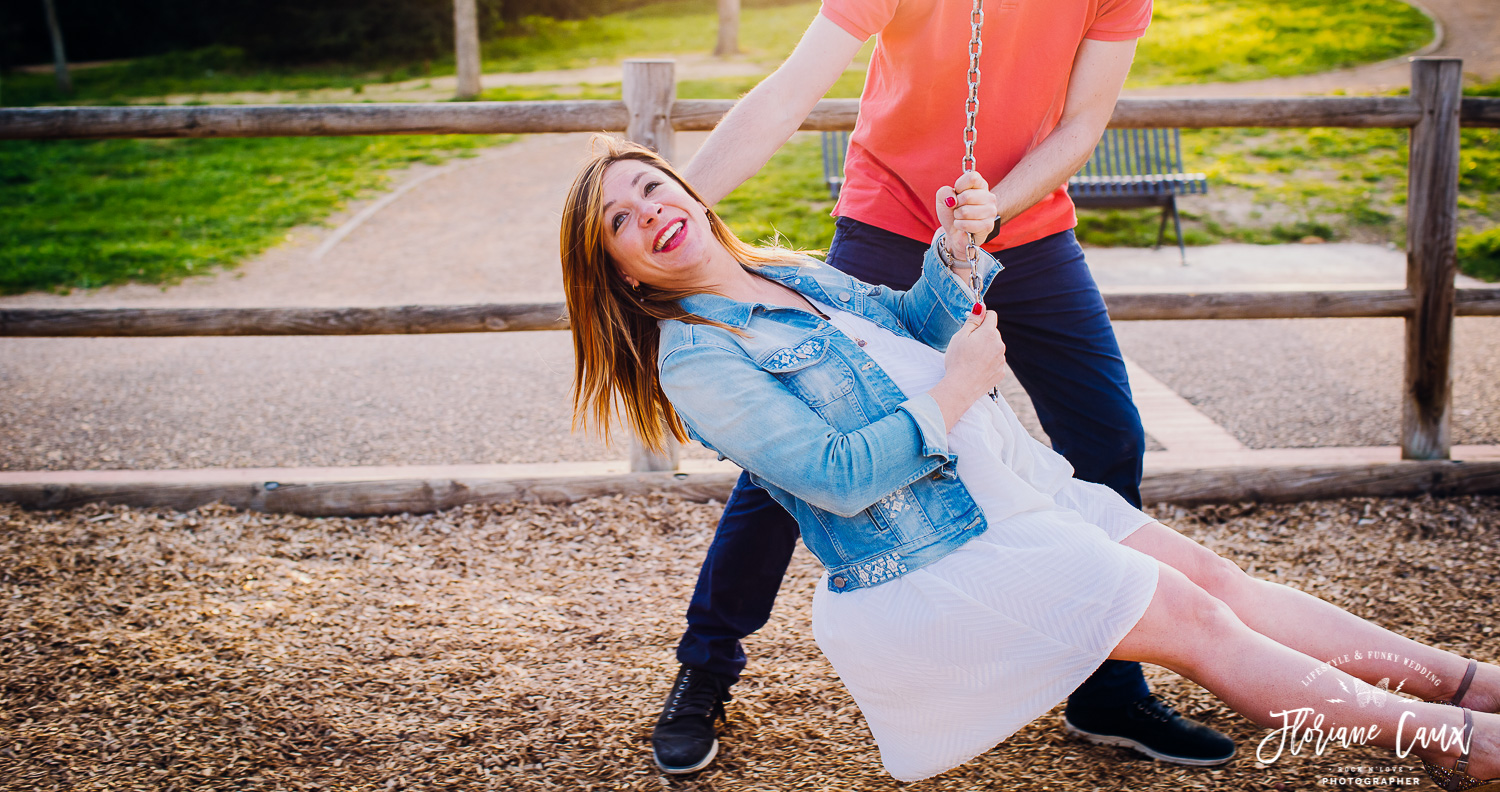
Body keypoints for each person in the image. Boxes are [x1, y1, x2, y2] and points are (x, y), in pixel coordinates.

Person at [559, 138, 1500, 786]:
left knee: (1217, 579)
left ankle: (1462, 683)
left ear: (687, 190)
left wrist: (955, 250)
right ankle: (1457, 742)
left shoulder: (790, 272)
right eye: (619, 221)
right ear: (623, 272)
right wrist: (956, 392)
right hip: (952, 546)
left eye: (651, 188)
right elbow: (836, 474)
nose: (648, 212)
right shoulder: (696, 357)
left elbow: (912, 331)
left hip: (1011, 480)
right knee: (1200, 621)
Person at [656, 0, 1208, 774]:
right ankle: (705, 666)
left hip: (1026, 227)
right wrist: (679, 203)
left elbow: (1083, 123)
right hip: (886, 222)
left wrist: (996, 203)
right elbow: (793, 87)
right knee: (785, 466)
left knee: (1109, 434)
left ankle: (1106, 685)